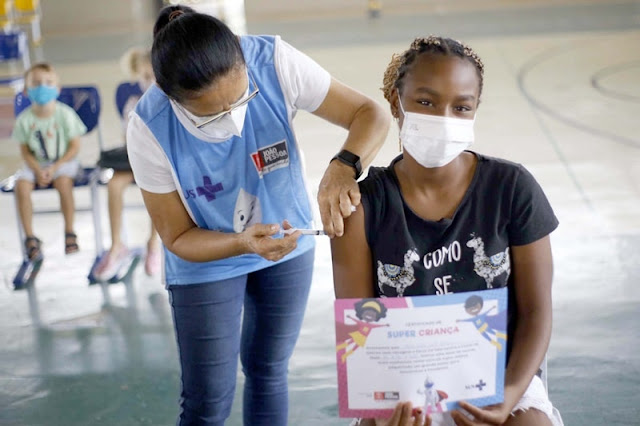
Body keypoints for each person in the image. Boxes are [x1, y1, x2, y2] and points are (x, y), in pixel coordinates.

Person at [126, 5, 389, 425]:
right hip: (205, 262)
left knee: (268, 372)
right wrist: (241, 242)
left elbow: (370, 114)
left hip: (289, 244)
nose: (233, 121)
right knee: (208, 400)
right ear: (172, 99)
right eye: (211, 115)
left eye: (243, 98)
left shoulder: (275, 62)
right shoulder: (149, 127)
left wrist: (344, 166)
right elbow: (176, 237)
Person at [332, 36, 564, 426]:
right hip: (399, 388)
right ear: (395, 101)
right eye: (426, 102)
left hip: (499, 377)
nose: (443, 117)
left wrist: (506, 398)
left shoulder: (511, 188)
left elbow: (537, 310)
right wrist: (382, 413)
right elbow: (362, 330)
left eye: (461, 107)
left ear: (475, 110)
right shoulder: (363, 206)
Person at [92, 47, 160, 280]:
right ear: (137, 76)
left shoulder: (168, 99)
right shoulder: (131, 100)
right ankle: (116, 246)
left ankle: (154, 243)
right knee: (113, 186)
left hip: (158, 163)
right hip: (133, 159)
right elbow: (128, 136)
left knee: (156, 186)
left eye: (154, 76)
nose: (149, 82)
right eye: (145, 77)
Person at [13, 62, 87, 261]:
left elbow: (74, 147)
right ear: (26, 91)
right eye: (36, 83)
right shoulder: (24, 120)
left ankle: (69, 232)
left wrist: (55, 167)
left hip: (64, 163)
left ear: (57, 88)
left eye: (48, 82)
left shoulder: (65, 114)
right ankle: (30, 238)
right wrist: (37, 169)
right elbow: (25, 151)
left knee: (63, 183)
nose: (42, 87)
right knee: (21, 186)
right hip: (36, 165)